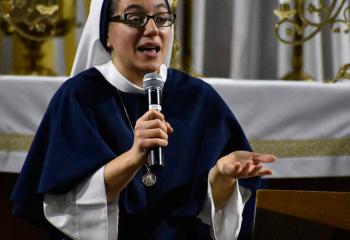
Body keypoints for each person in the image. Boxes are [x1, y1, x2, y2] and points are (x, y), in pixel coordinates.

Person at [11, 0, 276, 239]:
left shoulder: (198, 97)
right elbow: (65, 206)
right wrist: (134, 155)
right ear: (106, 33)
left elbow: (212, 216)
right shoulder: (79, 97)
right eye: (135, 19)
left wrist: (222, 176)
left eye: (162, 19)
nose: (152, 29)